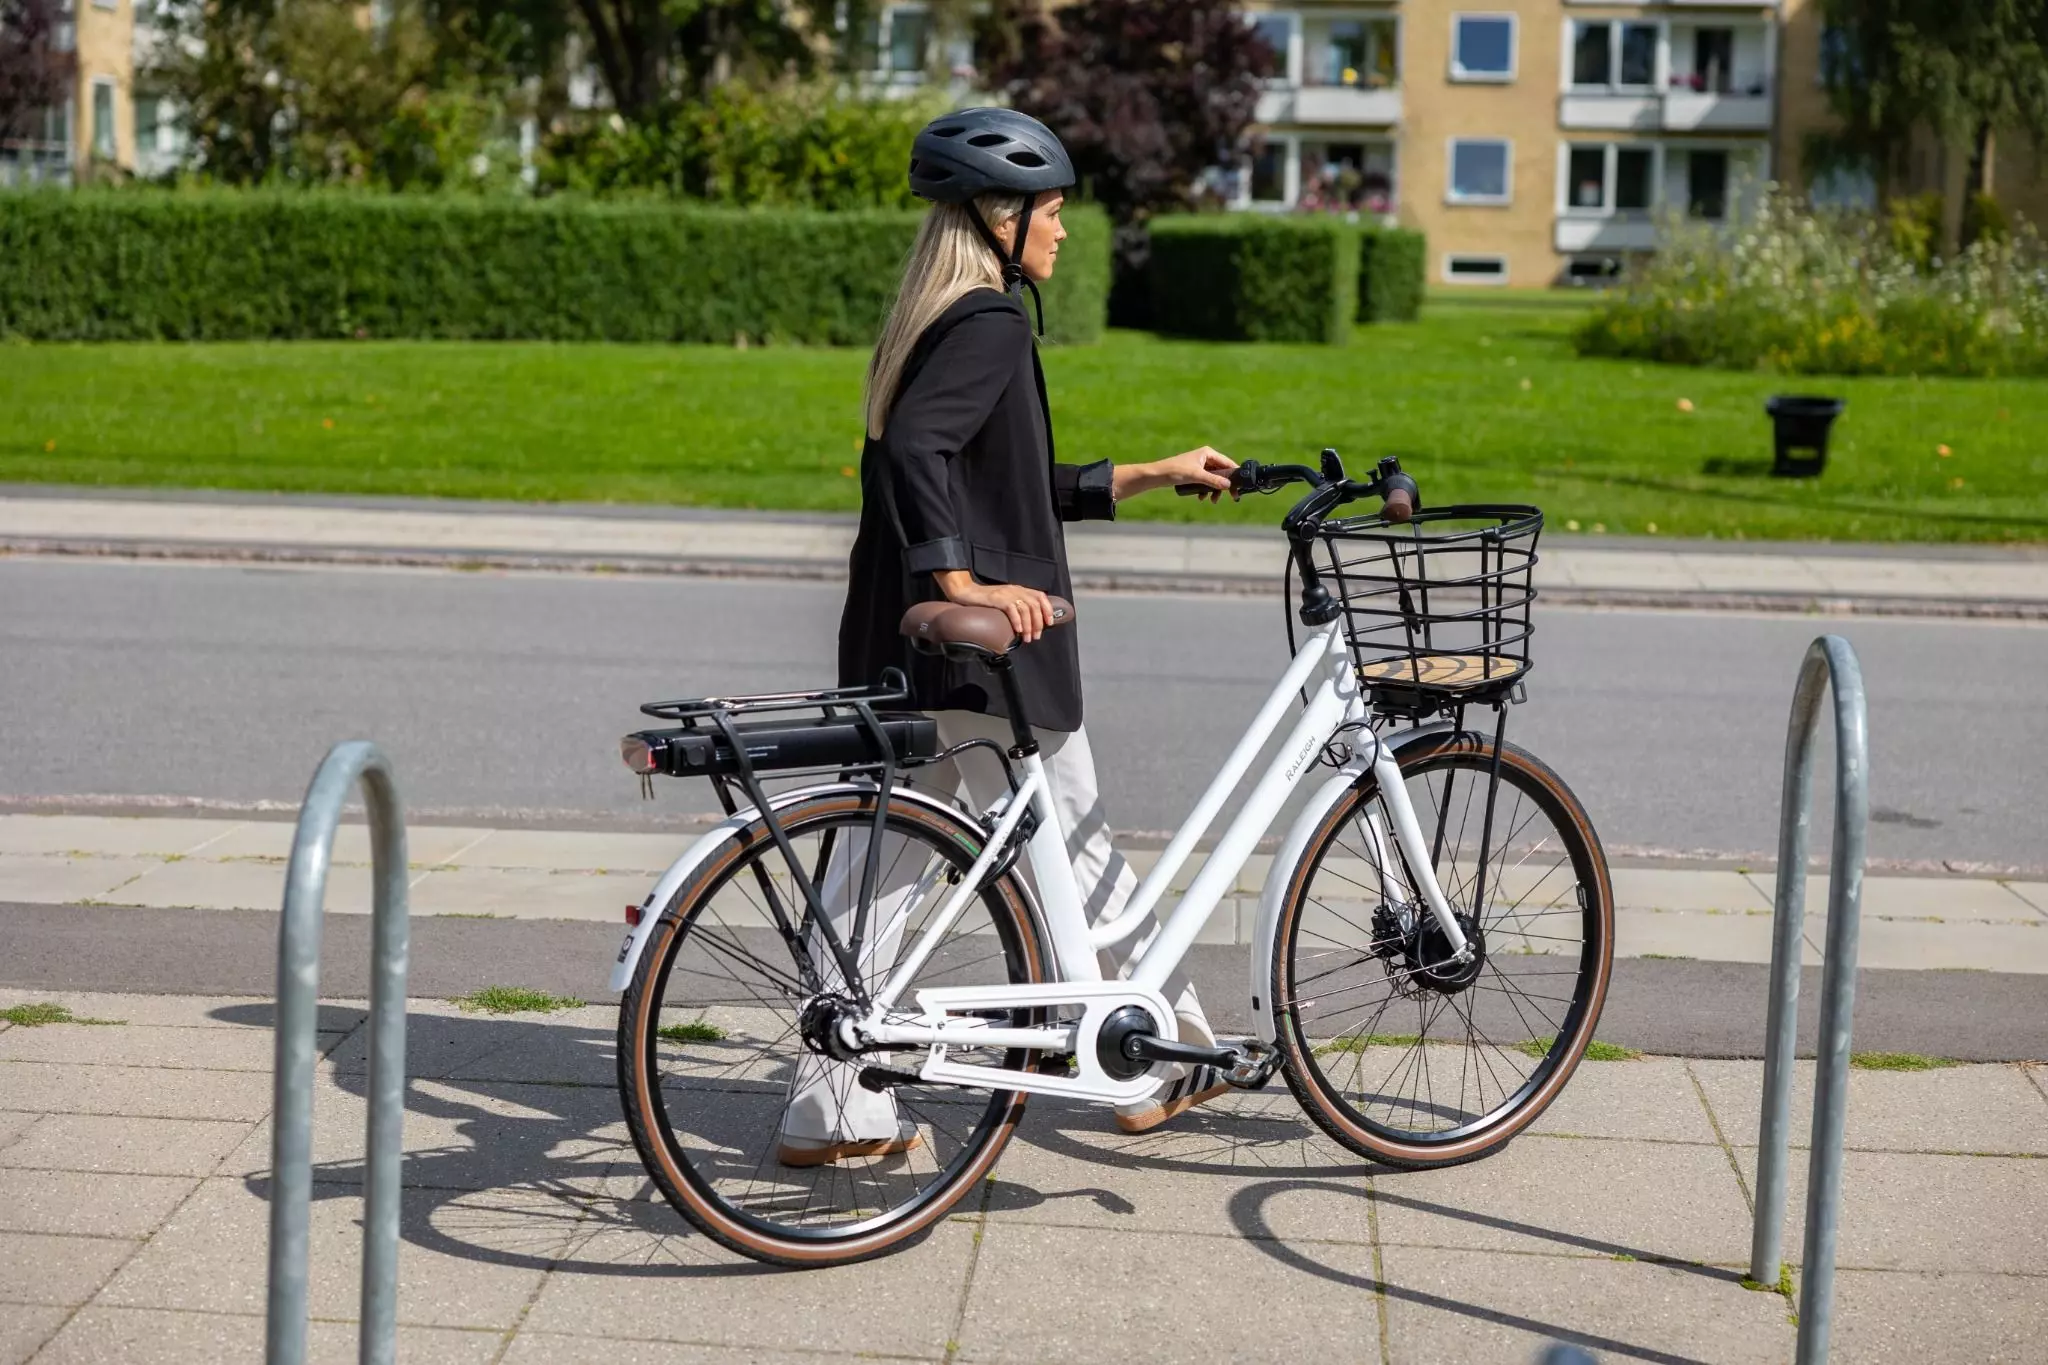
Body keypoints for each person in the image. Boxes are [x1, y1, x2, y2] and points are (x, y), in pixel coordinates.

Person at [776, 108, 1239, 1167]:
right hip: (984, 657)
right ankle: (1157, 1060)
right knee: (1072, 841)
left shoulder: (937, 319)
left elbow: (1001, 482)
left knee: (882, 866)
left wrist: (1145, 474)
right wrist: (963, 582)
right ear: (1001, 217)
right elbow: (918, 456)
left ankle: (829, 1104)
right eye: (1053, 211)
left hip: (911, 648)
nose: (1063, 231)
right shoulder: (989, 322)